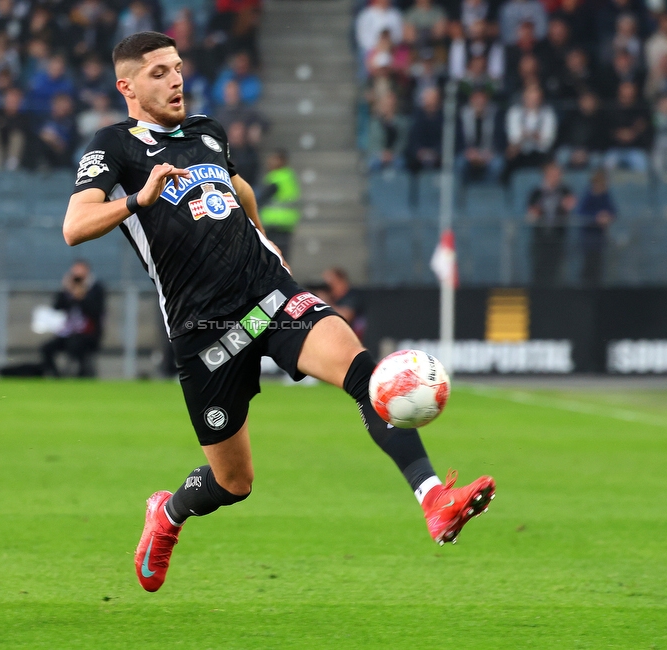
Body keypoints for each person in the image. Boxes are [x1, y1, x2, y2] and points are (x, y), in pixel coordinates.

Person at [62, 31, 495, 594]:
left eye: (177, 69)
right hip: (206, 331)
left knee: (364, 373)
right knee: (234, 482)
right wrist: (137, 201)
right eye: (159, 73)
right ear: (127, 86)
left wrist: (263, 240)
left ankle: (434, 499)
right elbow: (75, 226)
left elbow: (239, 188)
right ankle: (167, 515)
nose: (175, 81)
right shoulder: (114, 146)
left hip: (269, 297)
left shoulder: (207, 133)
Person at [41, 260, 106, 377]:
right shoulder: (68, 289)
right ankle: (56, 376)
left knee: (76, 345)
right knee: (46, 348)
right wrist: (66, 291)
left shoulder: (96, 288)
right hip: (68, 333)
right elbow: (57, 307)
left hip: (88, 334)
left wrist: (81, 296)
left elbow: (96, 311)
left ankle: (82, 374)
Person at [526, 161, 574, 286]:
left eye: (557, 173)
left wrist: (566, 205)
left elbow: (571, 207)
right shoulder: (536, 192)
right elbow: (530, 215)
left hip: (558, 236)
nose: (556, 176)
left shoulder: (565, 191)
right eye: (552, 173)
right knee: (540, 268)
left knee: (556, 269)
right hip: (541, 237)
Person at [257, 149, 300, 264]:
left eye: (273, 159)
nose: (269, 161)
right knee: (283, 257)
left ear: (281, 160)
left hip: (275, 223)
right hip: (286, 224)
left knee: (272, 256)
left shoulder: (276, 177)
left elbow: (260, 198)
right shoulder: (289, 176)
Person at [574, 170, 616, 286]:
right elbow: (581, 214)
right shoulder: (588, 195)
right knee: (587, 268)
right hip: (588, 239)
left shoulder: (605, 196)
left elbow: (613, 211)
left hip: (600, 239)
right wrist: (596, 217)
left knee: (599, 269)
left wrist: (607, 216)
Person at [455, 88, 504, 183]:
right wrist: (468, 152)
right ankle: (462, 191)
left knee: (498, 164)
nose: (479, 102)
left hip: (489, 152)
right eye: (476, 99)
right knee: (459, 163)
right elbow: (457, 139)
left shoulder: (496, 115)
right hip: (468, 152)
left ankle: (487, 193)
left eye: (482, 100)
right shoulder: (461, 115)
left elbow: (500, 138)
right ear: (471, 100)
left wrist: (490, 152)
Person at [0, 86, 28, 170]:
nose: (12, 102)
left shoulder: (23, 118)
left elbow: (21, 131)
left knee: (17, 136)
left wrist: (5, 125)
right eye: (10, 99)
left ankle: (11, 168)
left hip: (14, 153)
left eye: (15, 100)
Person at [322, 267, 367, 341]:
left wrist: (325, 303)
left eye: (331, 282)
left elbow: (345, 317)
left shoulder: (352, 296)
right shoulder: (333, 298)